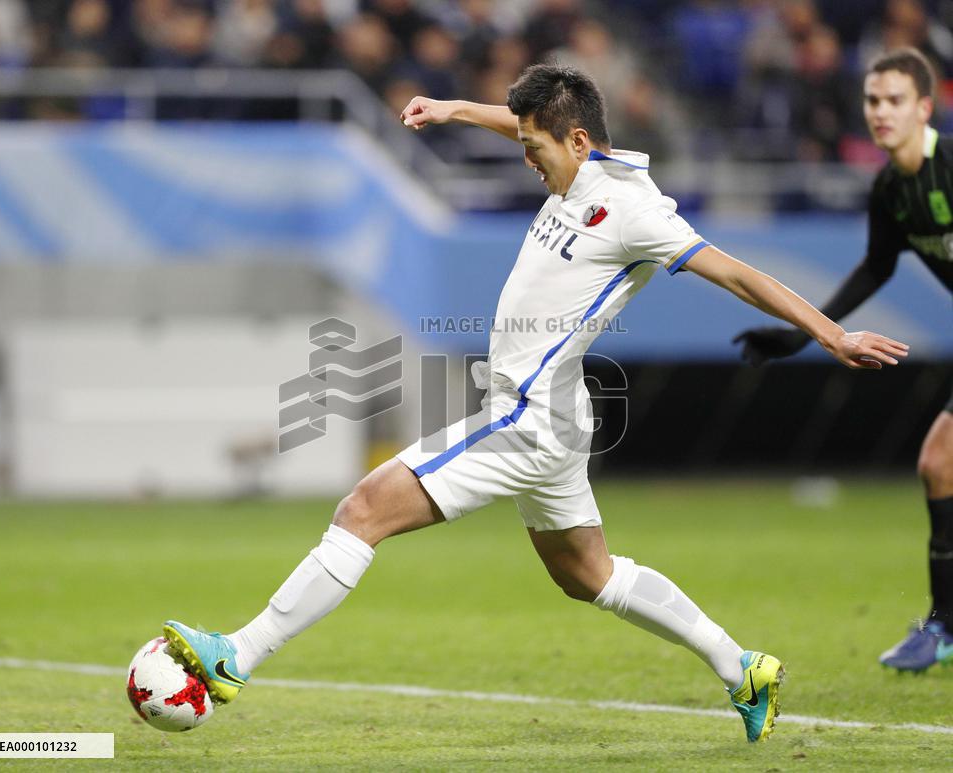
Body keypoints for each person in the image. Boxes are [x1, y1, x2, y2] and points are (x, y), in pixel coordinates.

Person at [163, 64, 909, 743]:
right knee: (588, 574)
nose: (528, 160)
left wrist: (831, 334)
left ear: (578, 141)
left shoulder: (634, 211)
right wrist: (456, 109)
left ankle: (237, 655)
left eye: (534, 149)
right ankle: (742, 667)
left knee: (363, 508)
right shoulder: (582, 164)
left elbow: (739, 273)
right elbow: (531, 125)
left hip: (527, 416)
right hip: (554, 414)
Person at [735, 47, 953, 674]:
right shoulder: (891, 189)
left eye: (894, 100)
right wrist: (807, 335)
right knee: (939, 464)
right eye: (873, 100)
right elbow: (877, 266)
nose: (881, 111)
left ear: (924, 108)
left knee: (940, 461)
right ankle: (943, 627)